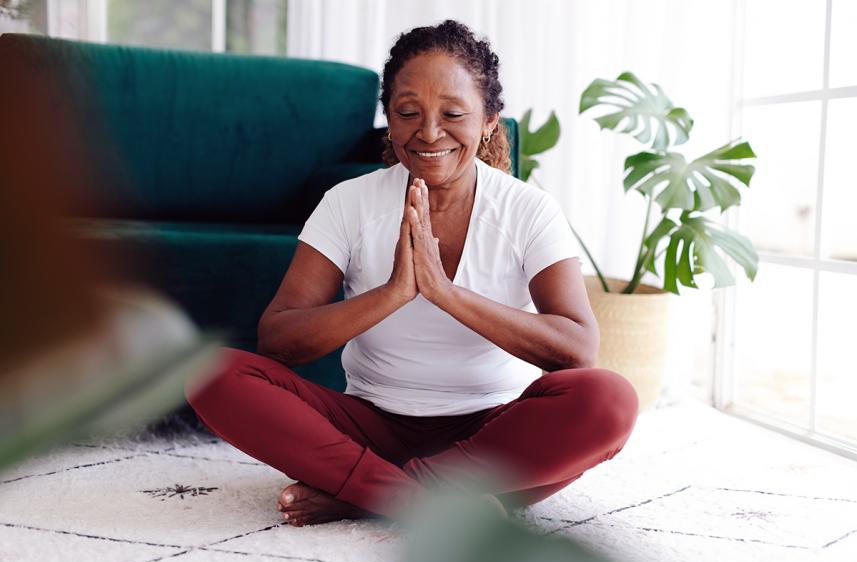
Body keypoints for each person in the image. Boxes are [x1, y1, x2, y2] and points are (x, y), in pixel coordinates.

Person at [184, 19, 639, 528]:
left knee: (610, 400)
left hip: (494, 435)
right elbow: (280, 338)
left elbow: (577, 349)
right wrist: (395, 292)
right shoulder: (349, 203)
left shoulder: (528, 210)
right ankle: (424, 498)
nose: (428, 133)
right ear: (389, 120)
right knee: (210, 372)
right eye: (407, 113)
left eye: (452, 114)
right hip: (369, 426)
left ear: (489, 119)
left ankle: (365, 493)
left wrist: (445, 293)